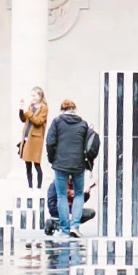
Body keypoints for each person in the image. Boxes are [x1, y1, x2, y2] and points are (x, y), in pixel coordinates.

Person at [44, 96, 98, 234]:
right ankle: (75, 227)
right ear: (75, 110)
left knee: (61, 195)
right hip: (78, 165)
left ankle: (64, 229)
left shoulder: (57, 122)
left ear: (62, 110)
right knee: (79, 194)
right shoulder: (83, 124)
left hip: (60, 164)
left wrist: (52, 159)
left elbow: (50, 142)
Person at [18, 87, 48, 191]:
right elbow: (23, 119)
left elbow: (38, 121)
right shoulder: (31, 107)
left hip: (35, 139)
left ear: (40, 96)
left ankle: (39, 187)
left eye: (34, 95)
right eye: (32, 96)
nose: (33, 98)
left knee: (36, 164)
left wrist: (29, 113)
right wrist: (22, 109)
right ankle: (30, 186)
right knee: (27, 163)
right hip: (26, 137)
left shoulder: (44, 108)